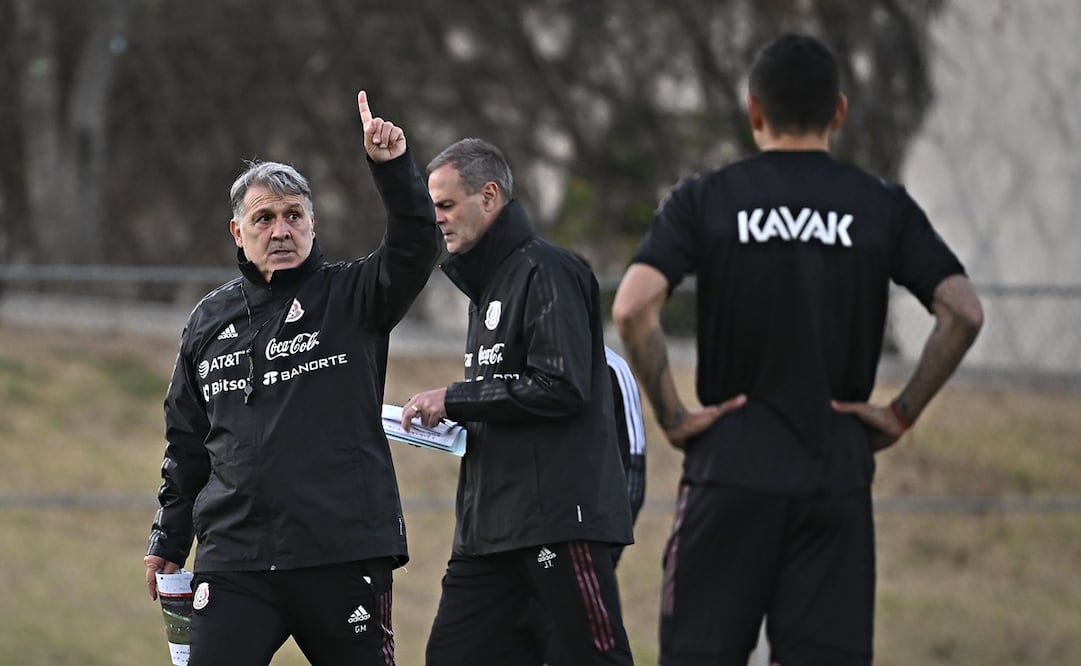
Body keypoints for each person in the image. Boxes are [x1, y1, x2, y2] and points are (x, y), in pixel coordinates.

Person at [611, 33, 984, 666]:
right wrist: (900, 412)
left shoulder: (706, 199)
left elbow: (632, 305)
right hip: (834, 471)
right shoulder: (879, 205)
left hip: (730, 464)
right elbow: (963, 311)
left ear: (754, 110)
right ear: (839, 112)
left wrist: (674, 416)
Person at [143, 91, 441, 666]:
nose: (280, 230)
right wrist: (169, 538)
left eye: (293, 216)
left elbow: (414, 247)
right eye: (264, 218)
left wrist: (393, 170)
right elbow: (186, 443)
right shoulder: (207, 321)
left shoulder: (353, 296)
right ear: (237, 231)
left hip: (339, 552)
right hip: (236, 561)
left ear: (310, 222)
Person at [403, 138, 635, 665]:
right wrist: (457, 422)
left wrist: (455, 400)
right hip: (488, 535)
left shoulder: (548, 270)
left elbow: (561, 385)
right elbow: (505, 400)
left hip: (556, 522)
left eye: (446, 205)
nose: (437, 218)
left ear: (488, 197)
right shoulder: (486, 286)